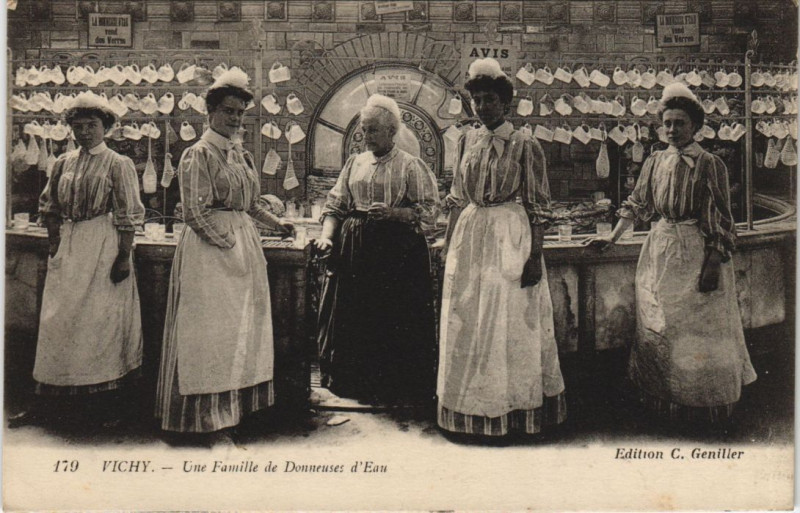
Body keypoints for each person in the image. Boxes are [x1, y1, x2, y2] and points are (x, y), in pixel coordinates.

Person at [585, 82, 756, 425]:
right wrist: (612, 239)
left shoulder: (710, 164)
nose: (672, 130)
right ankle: (665, 402)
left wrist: (712, 262)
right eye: (667, 123)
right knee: (659, 327)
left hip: (695, 252)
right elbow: (636, 206)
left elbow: (723, 218)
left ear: (696, 127)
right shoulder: (654, 161)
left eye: (680, 123)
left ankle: (702, 406)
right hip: (659, 249)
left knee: (697, 331)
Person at [155, 69, 293, 435]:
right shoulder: (197, 154)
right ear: (210, 112)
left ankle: (233, 413)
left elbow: (248, 205)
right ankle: (206, 419)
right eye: (228, 111)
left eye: (239, 113)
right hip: (210, 254)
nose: (234, 119)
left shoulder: (240, 155)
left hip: (242, 247)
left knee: (238, 331)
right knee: (210, 334)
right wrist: (228, 243)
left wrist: (277, 225)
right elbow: (194, 212)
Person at [437, 58, 566, 437]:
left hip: (511, 234)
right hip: (472, 234)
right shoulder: (466, 140)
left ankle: (511, 411)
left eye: (489, 100)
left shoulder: (525, 145)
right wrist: (448, 246)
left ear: (505, 103)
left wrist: (535, 257)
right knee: (469, 321)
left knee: (507, 324)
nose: (482, 107)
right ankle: (471, 411)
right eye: (476, 100)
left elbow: (539, 205)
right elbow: (458, 197)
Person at [24, 91, 145, 427]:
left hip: (104, 245)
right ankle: (50, 405)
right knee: (58, 324)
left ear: (105, 127)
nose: (84, 132)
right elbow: (49, 206)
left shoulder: (118, 164)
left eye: (91, 125)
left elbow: (129, 214)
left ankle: (103, 409)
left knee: (99, 326)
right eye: (78, 126)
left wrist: (123, 257)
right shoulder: (63, 162)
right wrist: (55, 245)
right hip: (70, 245)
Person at [315, 94, 440, 404]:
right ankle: (355, 382)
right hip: (355, 248)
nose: (366, 136)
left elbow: (429, 210)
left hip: (397, 254)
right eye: (363, 129)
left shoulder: (410, 165)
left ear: (391, 131)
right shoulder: (354, 163)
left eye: (372, 130)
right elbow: (335, 204)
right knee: (356, 314)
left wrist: (395, 213)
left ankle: (394, 387)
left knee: (391, 315)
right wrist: (328, 237)